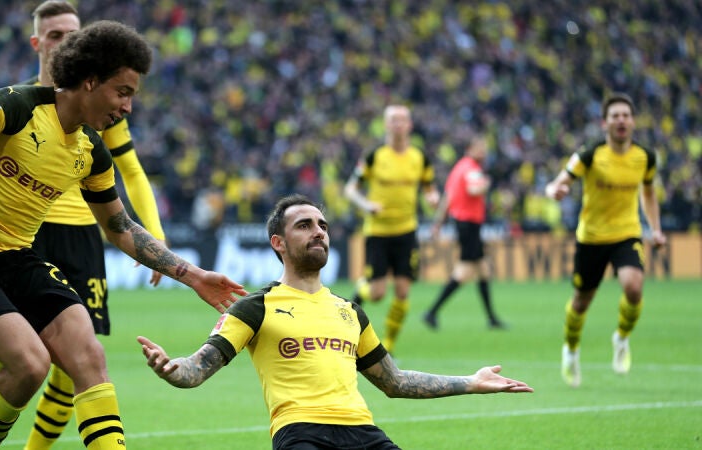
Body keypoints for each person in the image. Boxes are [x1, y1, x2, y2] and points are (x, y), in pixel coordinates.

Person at [0, 20, 246, 450]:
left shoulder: (91, 151)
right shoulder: (14, 106)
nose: (128, 107)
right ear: (90, 81)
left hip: (18, 259)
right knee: (31, 364)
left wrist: (194, 276)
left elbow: (121, 228)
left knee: (88, 355)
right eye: (122, 92)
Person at [138, 194, 533, 449]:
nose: (319, 232)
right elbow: (198, 367)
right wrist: (173, 369)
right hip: (300, 434)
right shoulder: (255, 307)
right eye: (305, 225)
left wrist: (471, 382)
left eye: (323, 226)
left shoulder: (350, 311)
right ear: (278, 243)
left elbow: (394, 382)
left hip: (363, 433)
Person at [0, 4, 169, 449]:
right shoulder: (20, 103)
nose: (66, 42)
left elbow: (132, 171)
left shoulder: (105, 106)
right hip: (27, 231)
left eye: (74, 34)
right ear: (37, 43)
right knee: (27, 348)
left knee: (78, 356)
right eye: (56, 35)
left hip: (83, 233)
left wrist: (156, 234)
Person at [544, 92, 665, 388]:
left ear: (633, 121)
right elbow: (558, 182)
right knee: (581, 302)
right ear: (605, 123)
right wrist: (554, 191)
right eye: (615, 116)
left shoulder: (645, 157)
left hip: (627, 233)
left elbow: (648, 193)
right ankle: (571, 350)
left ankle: (621, 338)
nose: (621, 120)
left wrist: (656, 228)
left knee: (633, 287)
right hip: (592, 238)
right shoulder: (590, 154)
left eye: (626, 115)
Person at [343, 104, 440, 354]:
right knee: (377, 294)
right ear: (386, 125)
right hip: (378, 231)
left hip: (406, 231)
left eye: (402, 120)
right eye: (393, 120)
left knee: (403, 290)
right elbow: (350, 189)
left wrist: (432, 197)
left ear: (410, 125)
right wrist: (366, 205)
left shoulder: (419, 157)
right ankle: (362, 288)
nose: (398, 124)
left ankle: (389, 345)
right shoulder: (374, 156)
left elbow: (429, 186)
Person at [422, 136, 506, 330]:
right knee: (465, 270)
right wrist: (486, 183)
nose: (483, 151)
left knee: (483, 269)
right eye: (480, 147)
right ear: (469, 149)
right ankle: (432, 312)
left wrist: (438, 223)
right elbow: (474, 189)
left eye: (484, 147)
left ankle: (491, 318)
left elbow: (448, 197)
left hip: (464, 224)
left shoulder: (458, 168)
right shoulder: (472, 168)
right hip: (469, 224)